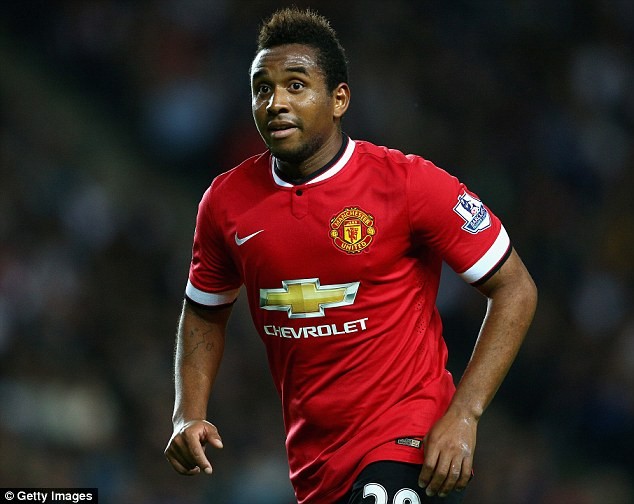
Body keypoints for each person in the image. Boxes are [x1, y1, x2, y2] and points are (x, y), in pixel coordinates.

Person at [164, 7, 538, 504]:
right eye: (262, 88)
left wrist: (465, 414)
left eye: (296, 85)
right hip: (314, 463)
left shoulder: (409, 183)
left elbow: (515, 287)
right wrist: (188, 413)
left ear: (339, 99)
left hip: (408, 440)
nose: (275, 102)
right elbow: (204, 311)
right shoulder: (225, 203)